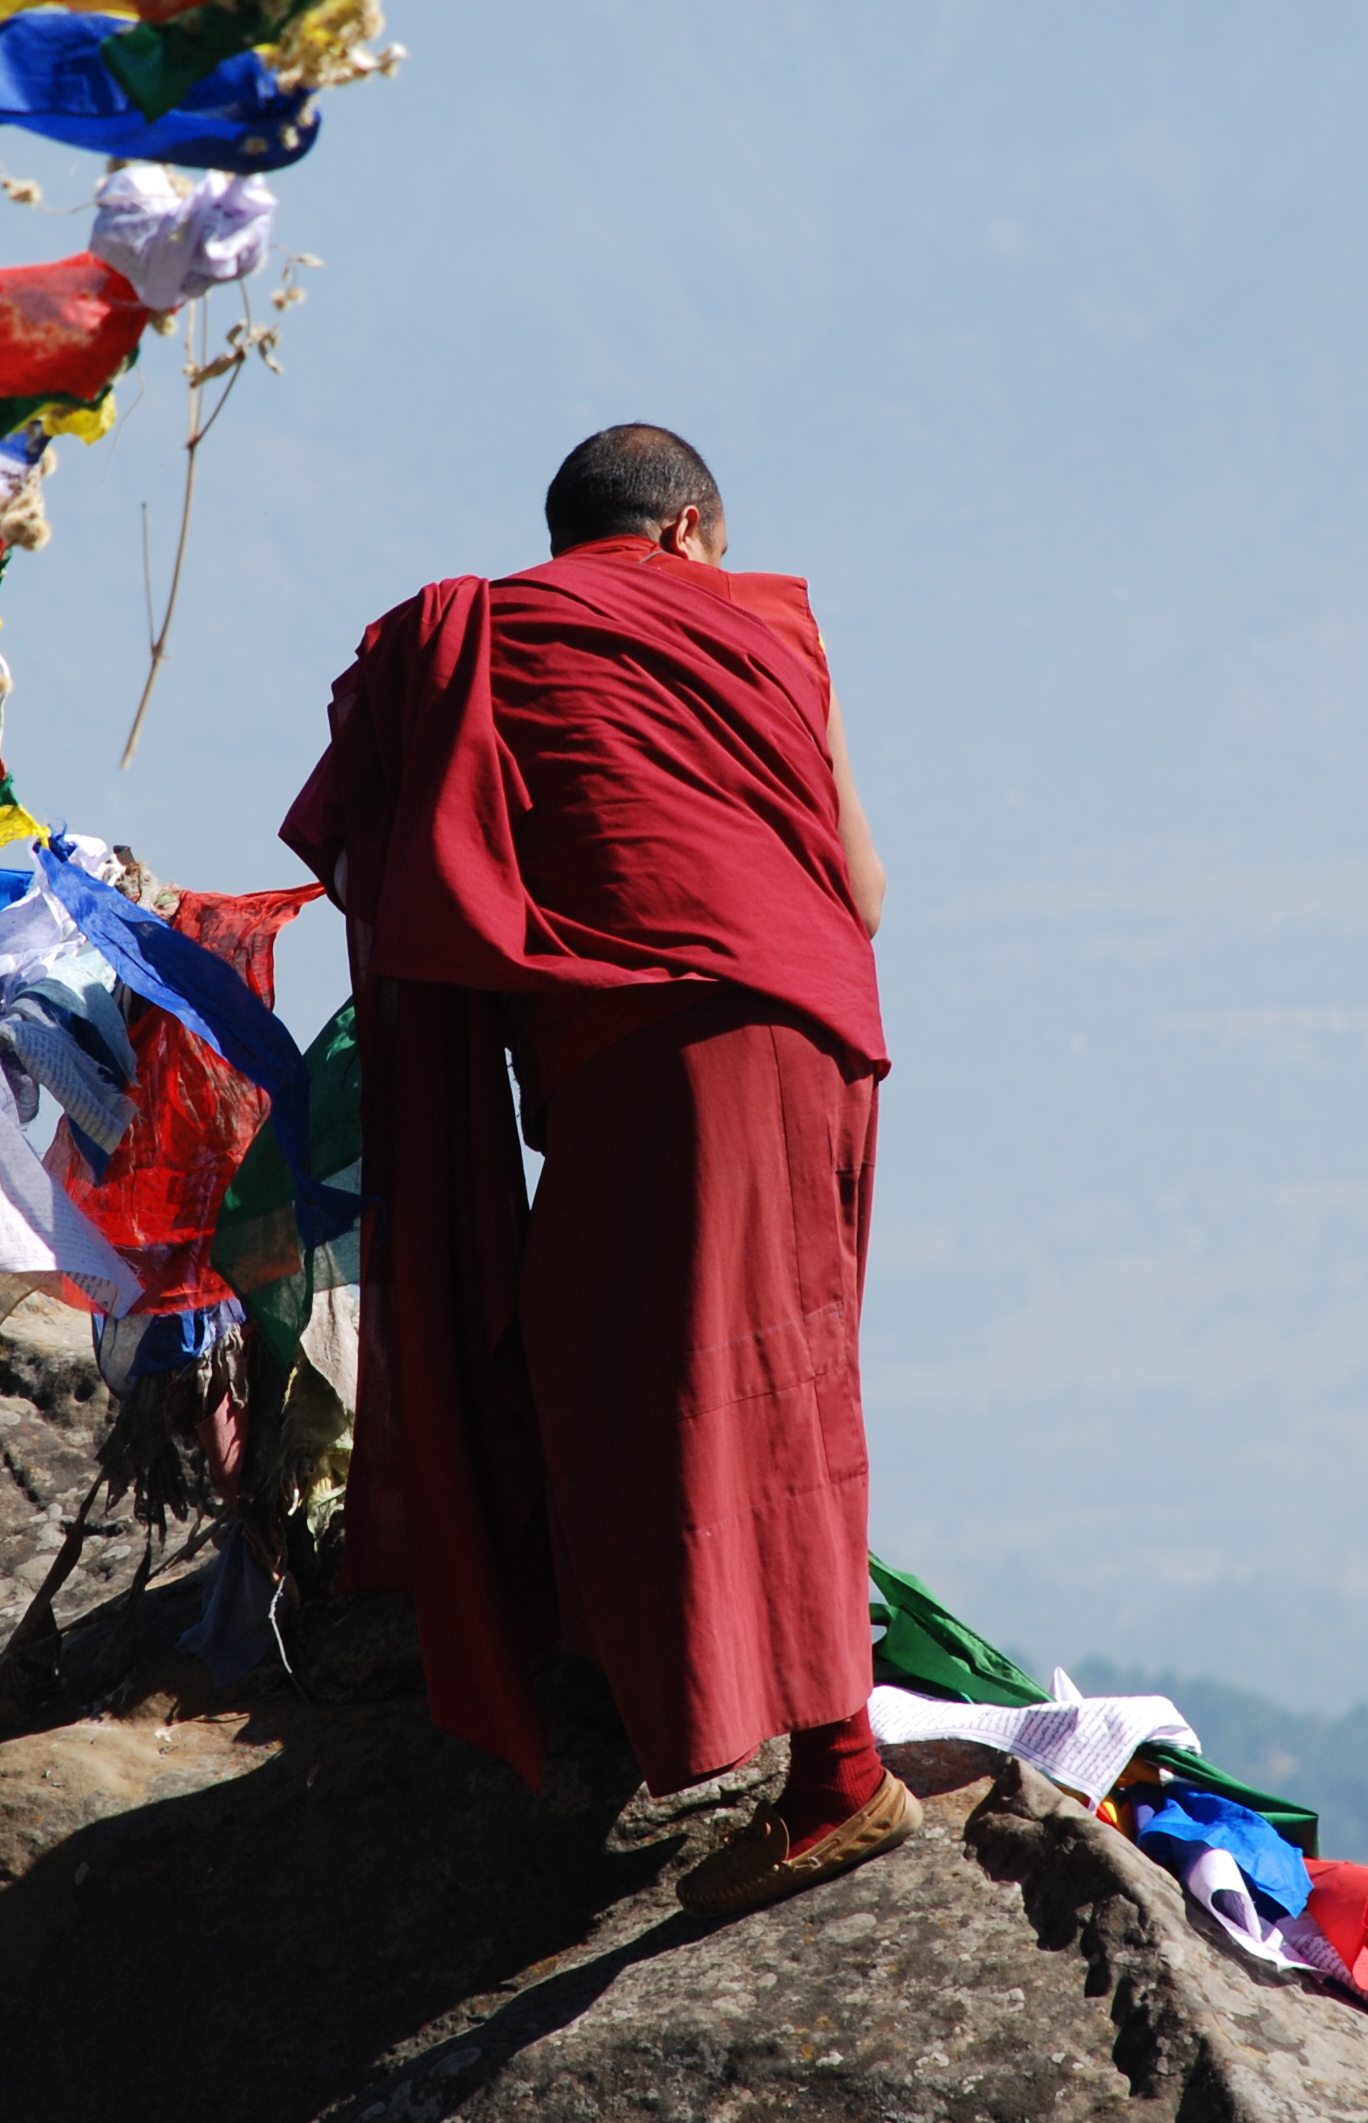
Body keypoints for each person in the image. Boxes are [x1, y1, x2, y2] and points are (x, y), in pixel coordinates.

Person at [281, 423, 908, 1915]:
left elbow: (367, 855)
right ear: (690, 530)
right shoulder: (769, 631)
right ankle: (678, 1689)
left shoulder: (472, 640)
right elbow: (864, 891)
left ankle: (837, 1772)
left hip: (660, 1046)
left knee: (693, 1376)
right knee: (731, 1366)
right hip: (814, 1034)